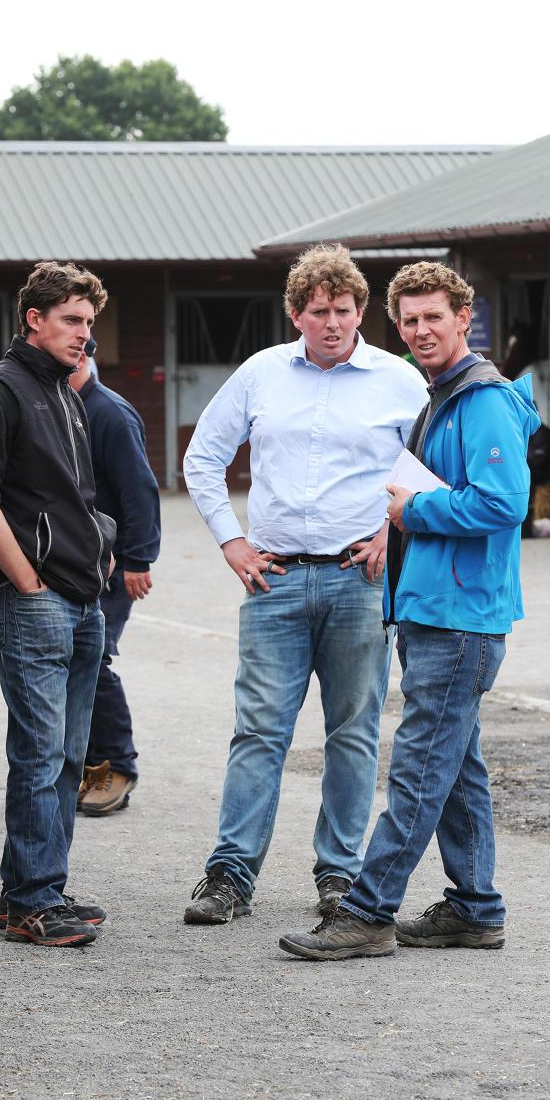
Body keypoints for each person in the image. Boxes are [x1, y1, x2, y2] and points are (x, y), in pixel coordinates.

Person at [279, 259, 541, 960]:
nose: (422, 330)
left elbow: (503, 503)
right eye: (410, 320)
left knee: (420, 768)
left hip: (460, 619)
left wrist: (415, 509)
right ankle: (475, 909)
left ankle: (368, 912)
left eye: (434, 317)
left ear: (464, 319)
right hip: (434, 611)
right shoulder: (441, 396)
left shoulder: (482, 401)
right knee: (456, 771)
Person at [182, 243, 428, 925]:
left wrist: (392, 533)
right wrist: (230, 540)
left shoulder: (398, 380)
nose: (332, 323)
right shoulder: (261, 374)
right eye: (318, 311)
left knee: (353, 733)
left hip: (359, 580)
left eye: (343, 310)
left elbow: (432, 465)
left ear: (360, 311)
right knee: (259, 731)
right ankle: (230, 875)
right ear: (296, 314)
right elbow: (203, 457)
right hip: (276, 580)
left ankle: (340, 876)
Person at [0, 261, 116, 948]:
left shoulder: (64, 391)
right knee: (40, 755)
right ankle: (32, 904)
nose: (84, 334)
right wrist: (26, 581)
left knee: (69, 758)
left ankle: (31, 886)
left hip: (83, 598)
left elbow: (77, 497)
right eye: (72, 320)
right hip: (35, 602)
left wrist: (102, 548)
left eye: (90, 323)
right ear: (34, 319)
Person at [69, 339, 161, 815]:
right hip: (72, 560)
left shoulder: (109, 413)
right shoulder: (61, 406)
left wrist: (137, 560)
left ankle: (117, 767)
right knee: (71, 661)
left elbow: (139, 490)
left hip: (112, 563)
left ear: (83, 359)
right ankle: (84, 766)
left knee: (94, 657)